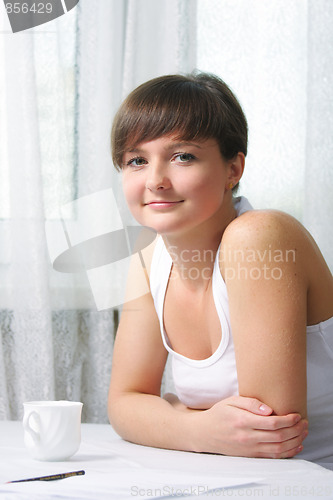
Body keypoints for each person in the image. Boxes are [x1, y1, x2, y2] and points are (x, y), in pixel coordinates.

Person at [108, 72, 333, 470]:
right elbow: (123, 406)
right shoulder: (147, 260)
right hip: (229, 478)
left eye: (183, 156)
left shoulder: (260, 237)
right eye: (137, 161)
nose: (156, 181)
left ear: (234, 169)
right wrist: (199, 430)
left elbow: (268, 434)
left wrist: (171, 415)